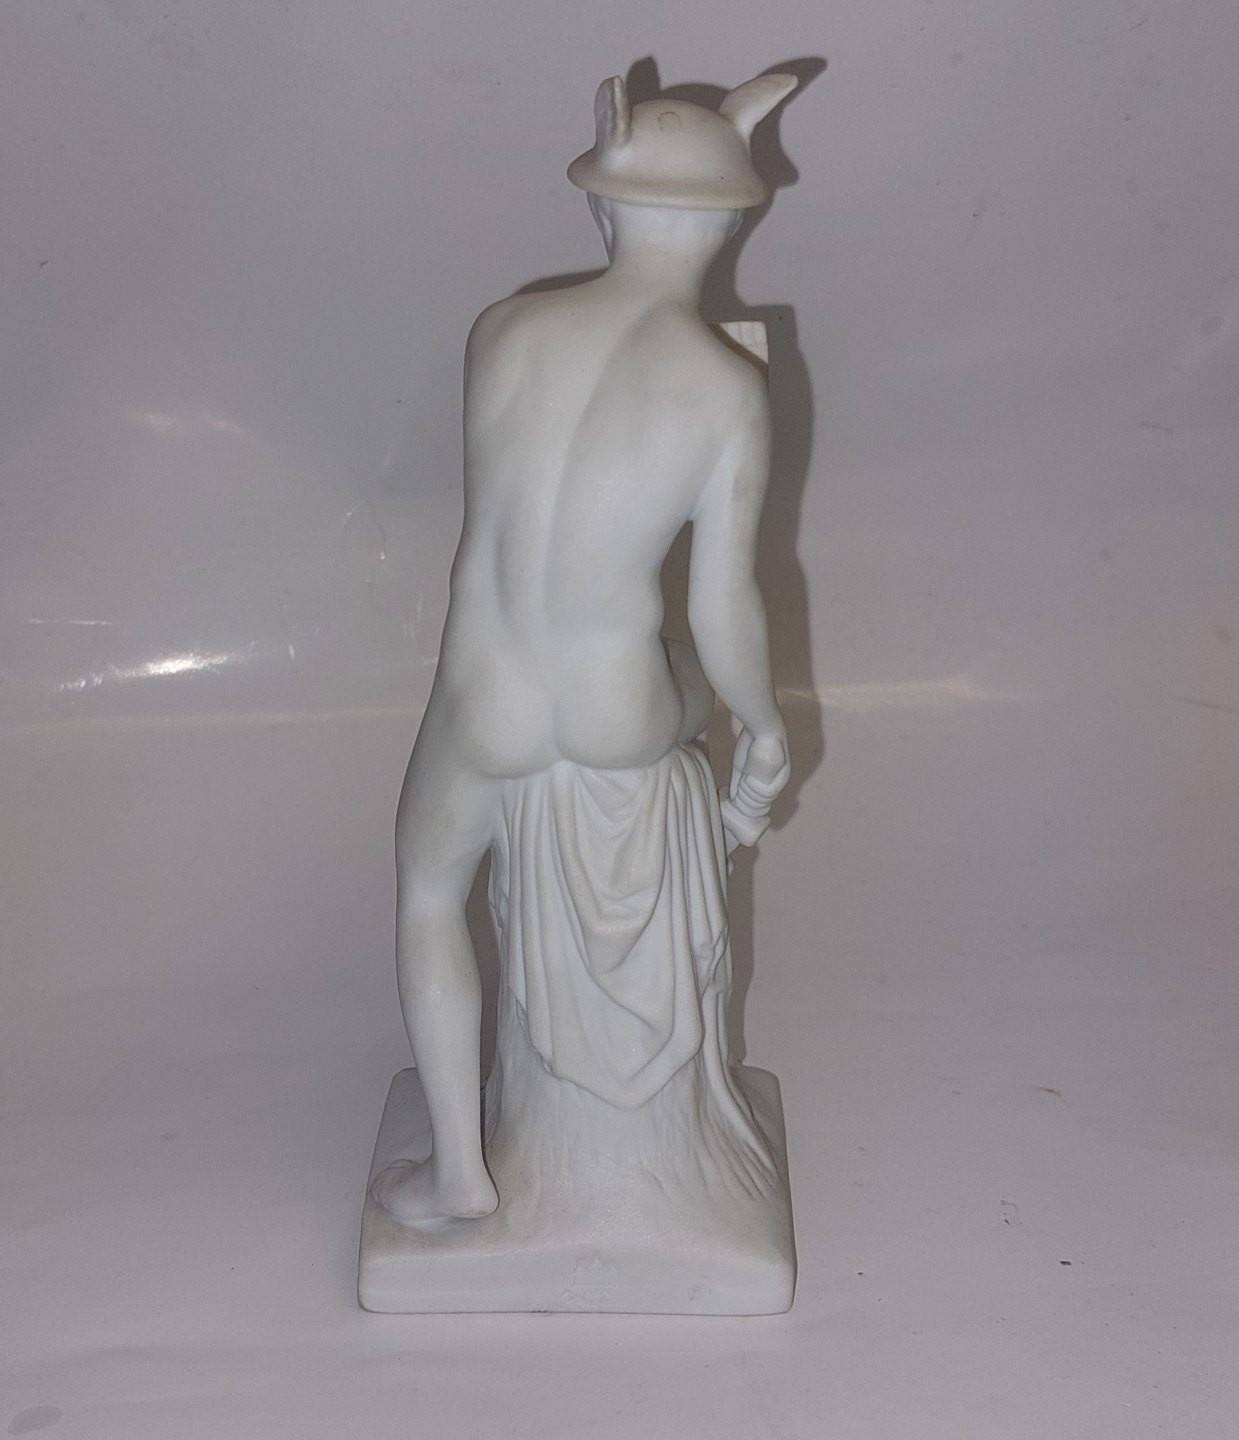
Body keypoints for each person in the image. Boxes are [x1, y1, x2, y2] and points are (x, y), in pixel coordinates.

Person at [376, 71, 797, 1224]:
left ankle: (458, 1173)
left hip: (488, 695)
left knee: (427, 893)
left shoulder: (503, 330)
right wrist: (766, 731)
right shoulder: (728, 388)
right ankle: (727, 788)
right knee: (699, 678)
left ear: (602, 208)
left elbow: (515, 523)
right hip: (620, 706)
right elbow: (724, 606)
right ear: (732, 222)